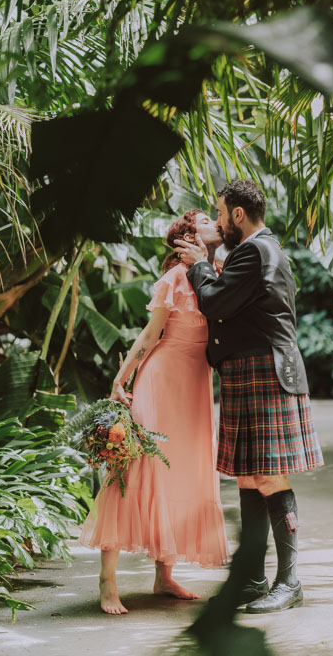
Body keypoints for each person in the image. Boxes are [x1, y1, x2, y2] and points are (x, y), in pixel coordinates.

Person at [175, 179, 323, 614]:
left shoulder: (257, 250)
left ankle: (289, 582)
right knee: (246, 476)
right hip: (248, 371)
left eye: (221, 213)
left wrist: (201, 263)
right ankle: (254, 579)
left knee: (269, 476)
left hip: (264, 371)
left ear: (238, 214)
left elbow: (216, 302)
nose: (218, 222)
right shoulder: (253, 251)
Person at [78, 210, 229, 615]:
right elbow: (149, 335)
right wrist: (119, 380)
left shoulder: (217, 272)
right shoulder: (176, 278)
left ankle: (165, 573)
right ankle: (107, 581)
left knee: (181, 471)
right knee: (134, 470)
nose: (213, 222)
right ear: (187, 238)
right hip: (161, 383)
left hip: (195, 388)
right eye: (203, 220)